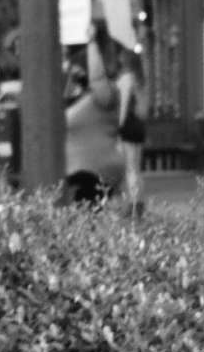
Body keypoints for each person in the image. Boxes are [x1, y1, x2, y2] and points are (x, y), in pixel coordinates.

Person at [92, 22, 148, 214]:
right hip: (139, 125)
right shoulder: (141, 79)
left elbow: (123, 105)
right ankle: (139, 200)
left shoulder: (126, 79)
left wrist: (118, 127)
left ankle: (132, 203)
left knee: (129, 167)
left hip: (128, 125)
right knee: (137, 166)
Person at [61, 67, 126, 207]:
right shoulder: (83, 102)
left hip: (90, 170)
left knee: (86, 212)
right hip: (85, 168)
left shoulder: (101, 98)